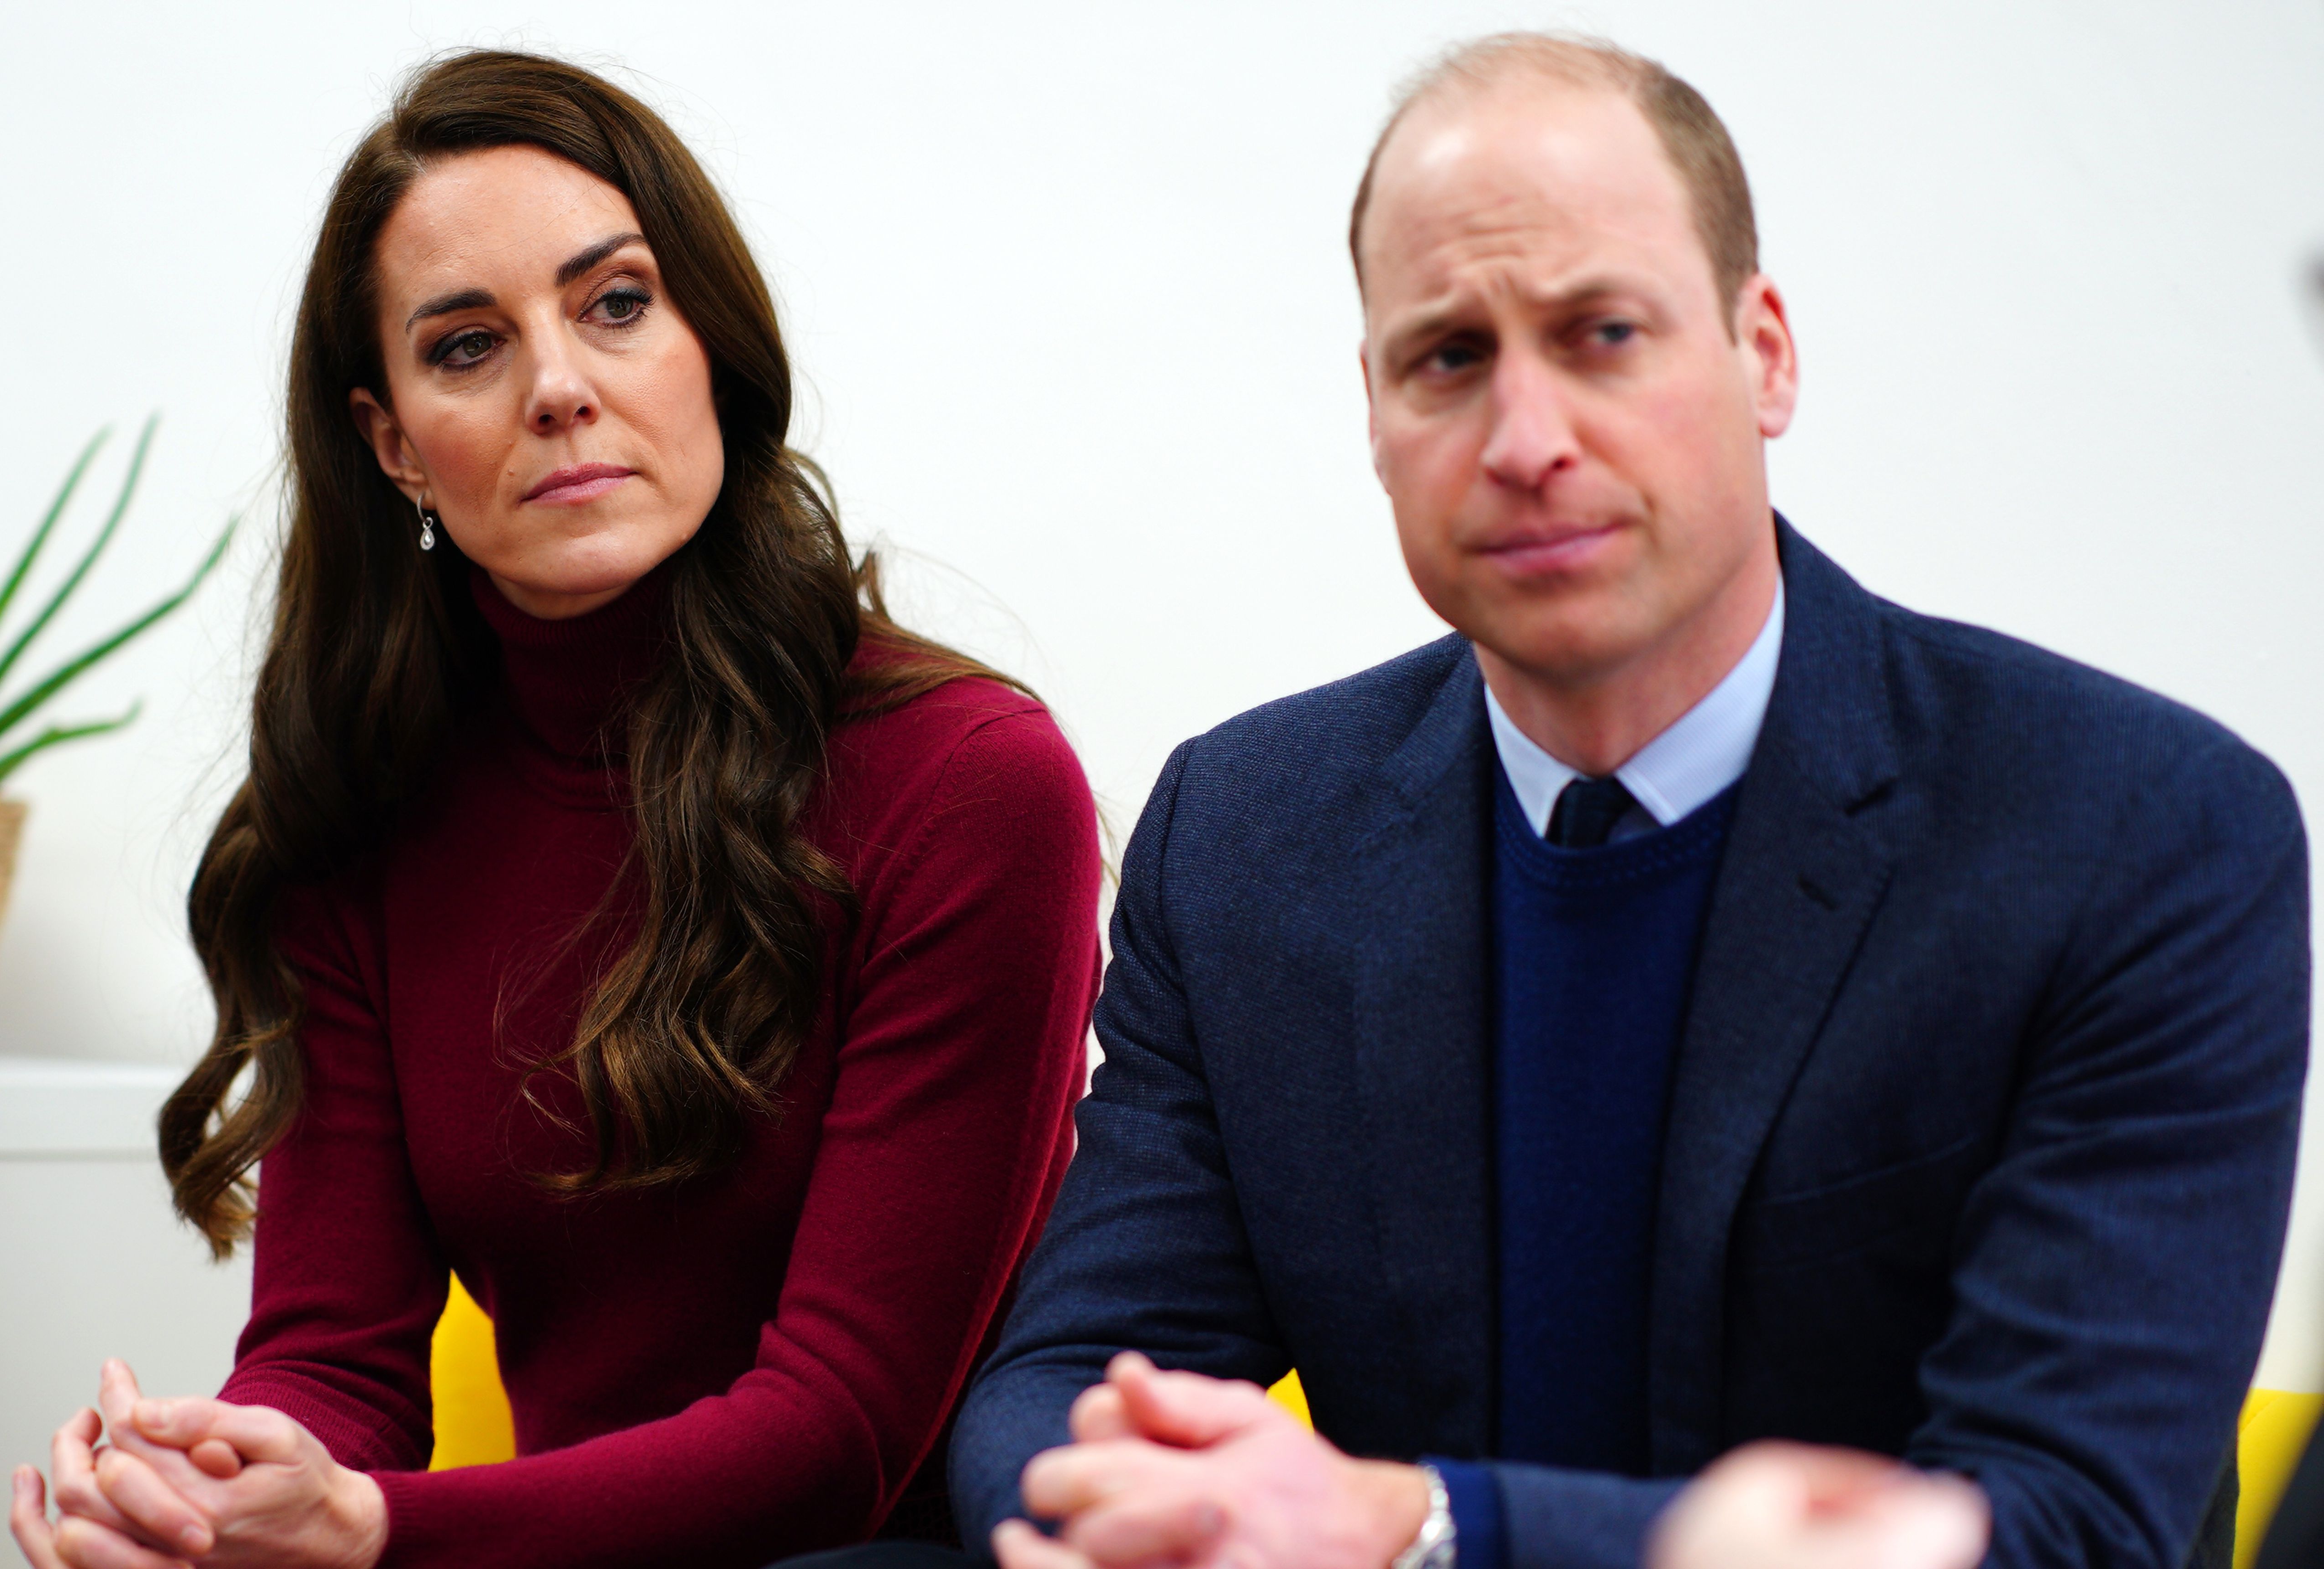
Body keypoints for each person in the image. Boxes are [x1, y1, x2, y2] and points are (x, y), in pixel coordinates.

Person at [926, 32, 2305, 1569]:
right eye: (1448, 357)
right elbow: (1067, 1375)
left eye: (1602, 334)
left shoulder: (2138, 831)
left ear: (1765, 353)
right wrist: (1121, 1518)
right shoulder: (1245, 832)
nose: (1526, 442)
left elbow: (2072, 1527)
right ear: (1372, 411)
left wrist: (1421, 1525)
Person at [3, 50, 1102, 1569]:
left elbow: (844, 1429)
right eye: (467, 347)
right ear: (393, 443)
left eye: (617, 303)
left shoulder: (969, 781)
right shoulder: (364, 811)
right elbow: (339, 1364)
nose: (562, 386)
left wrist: (376, 1530)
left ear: (708, 340)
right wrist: (213, 1491)